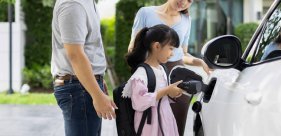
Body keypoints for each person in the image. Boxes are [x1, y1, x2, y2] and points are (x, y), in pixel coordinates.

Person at [127, 0, 210, 135]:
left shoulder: (186, 20)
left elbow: (182, 54)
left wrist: (200, 62)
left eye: (189, 1)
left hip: (177, 79)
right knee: (149, 125)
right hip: (151, 77)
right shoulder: (145, 13)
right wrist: (146, 68)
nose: (184, 2)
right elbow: (133, 47)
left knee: (174, 128)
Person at [51, 0, 117, 135]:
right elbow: (75, 55)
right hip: (78, 89)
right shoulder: (73, 4)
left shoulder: (87, 3)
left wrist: (98, 79)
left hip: (82, 85)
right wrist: (97, 94)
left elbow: (88, 48)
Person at [123, 24, 184, 136]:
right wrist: (165, 91)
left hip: (166, 121)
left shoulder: (161, 69)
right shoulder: (141, 73)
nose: (172, 54)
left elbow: (161, 98)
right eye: (170, 48)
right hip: (149, 126)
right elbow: (138, 102)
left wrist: (171, 93)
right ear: (156, 46)